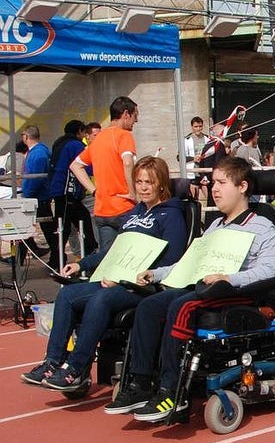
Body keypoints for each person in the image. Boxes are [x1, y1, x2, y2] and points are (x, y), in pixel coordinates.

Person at [104, 157, 275, 422]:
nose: (214, 189)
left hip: (236, 292)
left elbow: (272, 269)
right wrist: (156, 274)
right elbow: (189, 263)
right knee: (149, 305)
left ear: (243, 186)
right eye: (213, 183)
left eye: (221, 183)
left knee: (182, 306)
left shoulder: (261, 225)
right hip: (202, 287)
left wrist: (229, 277)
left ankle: (171, 391)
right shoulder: (215, 226)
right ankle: (140, 383)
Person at [24, 157, 188, 391]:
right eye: (139, 181)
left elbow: (172, 259)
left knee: (101, 298)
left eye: (149, 182)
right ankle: (52, 362)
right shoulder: (132, 215)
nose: (142, 187)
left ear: (161, 184)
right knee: (67, 294)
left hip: (144, 285)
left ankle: (76, 367)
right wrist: (82, 265)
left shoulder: (171, 216)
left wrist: (130, 275)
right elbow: (112, 251)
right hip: (116, 277)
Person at [70, 96, 138, 251]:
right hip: (123, 207)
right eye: (135, 116)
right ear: (126, 114)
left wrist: (94, 190)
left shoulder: (99, 139)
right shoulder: (124, 135)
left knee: (107, 258)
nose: (136, 121)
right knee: (130, 255)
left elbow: (75, 166)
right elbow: (128, 162)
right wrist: (133, 193)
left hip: (102, 209)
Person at [48, 119, 97, 261]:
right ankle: (57, 259)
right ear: (80, 131)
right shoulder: (75, 145)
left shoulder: (59, 143)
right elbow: (86, 166)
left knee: (76, 221)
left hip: (59, 190)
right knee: (65, 226)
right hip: (67, 191)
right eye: (83, 132)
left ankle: (88, 250)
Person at [19, 125, 58, 268]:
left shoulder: (38, 154)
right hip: (36, 196)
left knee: (48, 229)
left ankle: (57, 257)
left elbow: (35, 178)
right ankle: (22, 256)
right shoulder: (39, 152)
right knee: (26, 228)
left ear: (26, 137)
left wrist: (27, 194)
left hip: (38, 198)